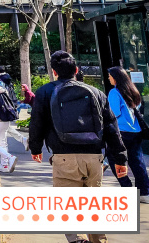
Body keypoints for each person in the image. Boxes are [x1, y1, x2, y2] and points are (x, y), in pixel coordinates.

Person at [29, 51, 128, 243]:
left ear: (54, 72)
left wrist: (35, 148)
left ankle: (79, 239)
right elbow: (111, 127)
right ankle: (99, 239)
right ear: (76, 70)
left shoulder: (45, 92)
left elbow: (37, 123)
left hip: (63, 157)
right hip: (94, 158)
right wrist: (121, 158)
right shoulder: (97, 93)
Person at [106, 66, 149, 203]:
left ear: (116, 77)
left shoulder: (114, 92)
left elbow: (113, 113)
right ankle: (144, 192)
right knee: (137, 162)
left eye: (110, 76)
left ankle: (127, 188)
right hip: (135, 132)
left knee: (114, 160)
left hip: (121, 132)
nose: (108, 78)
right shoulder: (133, 90)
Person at [0, 72, 29, 150]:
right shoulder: (10, 85)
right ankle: (23, 140)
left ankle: (5, 154)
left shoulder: (3, 87)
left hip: (4, 110)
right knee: (6, 127)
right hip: (9, 109)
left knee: (3, 129)